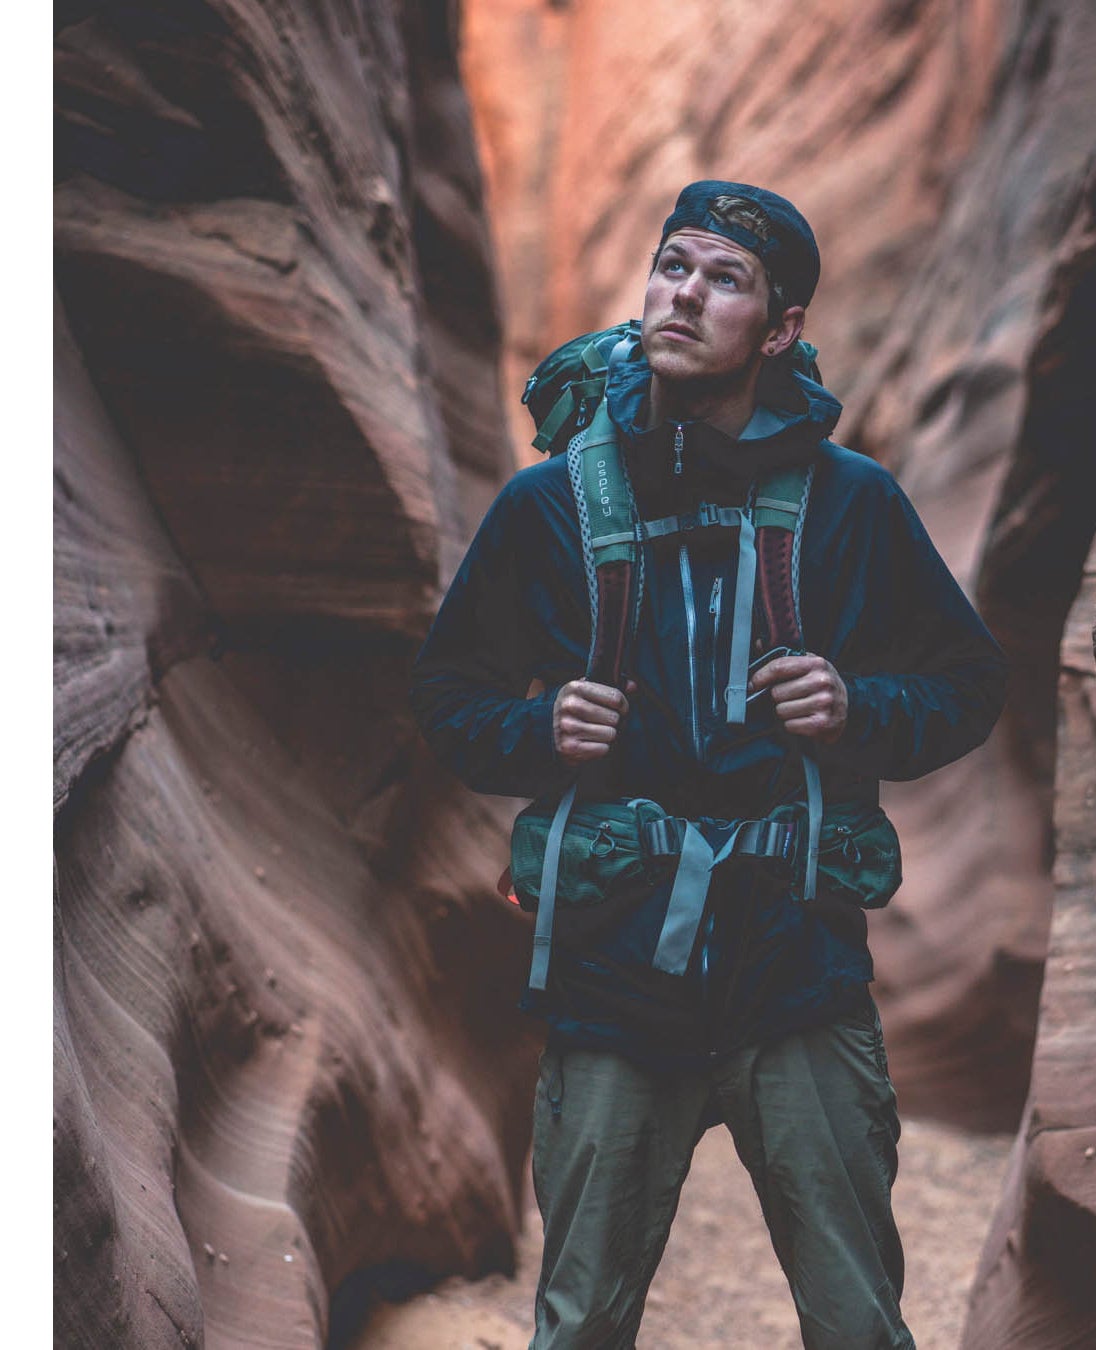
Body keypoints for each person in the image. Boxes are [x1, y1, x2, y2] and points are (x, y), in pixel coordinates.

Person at [410, 180, 1005, 1349]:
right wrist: (538, 731)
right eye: (672, 266)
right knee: (581, 1327)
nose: (683, 295)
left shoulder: (852, 505)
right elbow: (446, 698)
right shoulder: (549, 509)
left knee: (858, 1324)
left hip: (798, 972)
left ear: (781, 329)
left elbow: (968, 686)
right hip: (615, 975)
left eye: (724, 279)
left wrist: (858, 707)